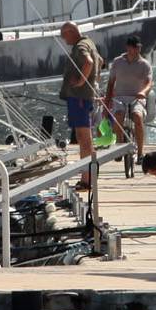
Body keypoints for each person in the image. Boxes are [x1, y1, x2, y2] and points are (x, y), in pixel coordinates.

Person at [58, 20, 102, 188]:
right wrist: (93, 82)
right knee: (85, 138)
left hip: (79, 99)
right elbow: (100, 60)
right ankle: (89, 174)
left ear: (71, 32)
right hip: (83, 98)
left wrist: (81, 81)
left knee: (84, 139)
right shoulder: (89, 42)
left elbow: (89, 62)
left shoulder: (80, 46)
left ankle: (87, 178)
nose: (64, 40)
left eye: (64, 36)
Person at [105, 37, 153, 171]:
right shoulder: (117, 62)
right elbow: (110, 83)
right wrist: (107, 101)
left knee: (137, 116)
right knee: (118, 116)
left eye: (139, 47)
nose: (137, 50)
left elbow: (149, 82)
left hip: (137, 97)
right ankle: (120, 145)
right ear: (128, 47)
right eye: (134, 47)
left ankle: (140, 153)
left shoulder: (144, 64)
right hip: (120, 97)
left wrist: (143, 92)